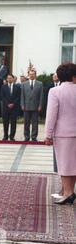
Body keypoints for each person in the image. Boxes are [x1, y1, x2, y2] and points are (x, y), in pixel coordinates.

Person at [44, 63, 76, 205]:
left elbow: (51, 115)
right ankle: (70, 191)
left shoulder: (55, 91)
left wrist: (48, 134)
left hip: (63, 133)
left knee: (64, 164)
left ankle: (68, 192)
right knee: (73, 163)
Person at [21, 68, 43, 141]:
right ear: (28, 75)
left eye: (33, 74)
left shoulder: (40, 83)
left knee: (35, 123)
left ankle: (34, 137)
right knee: (26, 123)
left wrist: (40, 105)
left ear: (35, 75)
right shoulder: (24, 84)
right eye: (30, 74)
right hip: (26, 106)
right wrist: (22, 105)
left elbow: (41, 96)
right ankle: (26, 136)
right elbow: (22, 96)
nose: (31, 75)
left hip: (35, 106)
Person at [1, 74, 21, 141]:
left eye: (10, 78)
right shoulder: (3, 87)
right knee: (5, 122)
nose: (9, 79)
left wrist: (13, 103)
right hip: (6, 107)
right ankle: (5, 136)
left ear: (13, 79)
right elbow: (2, 97)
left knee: (13, 122)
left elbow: (18, 97)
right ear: (6, 79)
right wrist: (7, 104)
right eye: (8, 78)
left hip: (14, 107)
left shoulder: (17, 87)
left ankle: (12, 136)